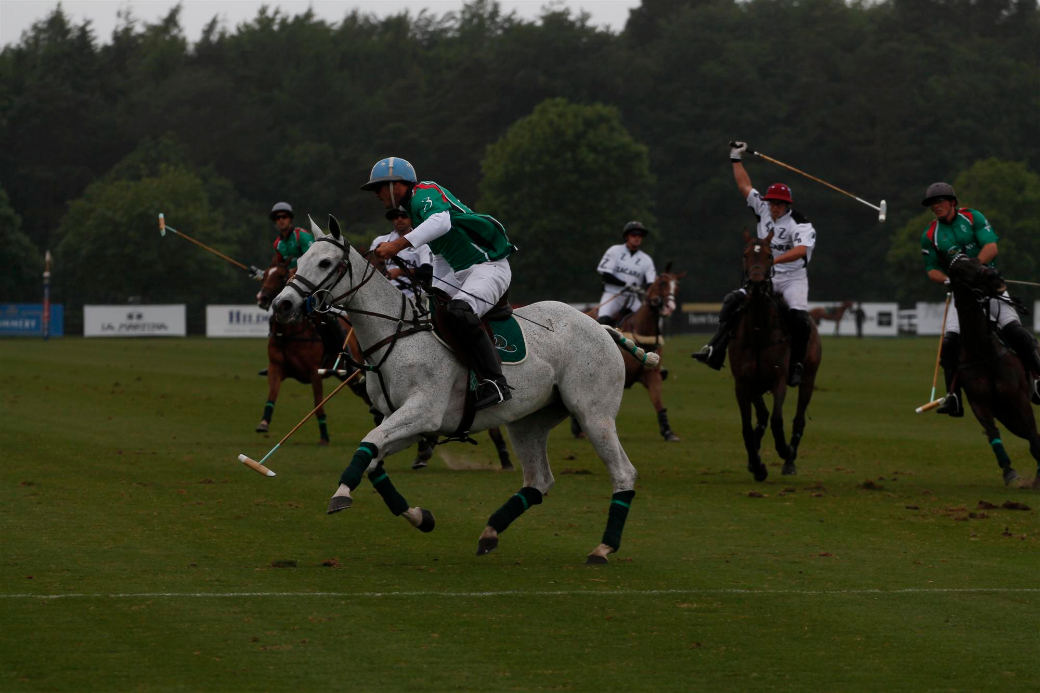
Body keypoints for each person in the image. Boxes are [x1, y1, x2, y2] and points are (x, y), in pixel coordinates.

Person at [363, 157, 516, 410]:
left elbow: (441, 223)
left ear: (395, 185)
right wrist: (435, 290)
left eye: (378, 188)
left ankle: (495, 382)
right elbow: (441, 255)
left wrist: (396, 245)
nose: (376, 195)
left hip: (489, 268)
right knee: (428, 312)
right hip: (460, 274)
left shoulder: (425, 192)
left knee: (459, 312)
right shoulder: (414, 211)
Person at [692, 140, 816, 387]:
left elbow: (802, 250)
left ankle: (796, 366)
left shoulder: (800, 224)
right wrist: (735, 158)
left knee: (800, 319)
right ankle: (715, 350)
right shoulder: (763, 209)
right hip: (765, 276)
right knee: (731, 302)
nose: (773, 207)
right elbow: (744, 185)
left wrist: (772, 259)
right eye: (771, 202)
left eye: (779, 204)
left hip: (792, 278)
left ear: (788, 205)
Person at [919, 182, 1040, 416]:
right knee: (949, 343)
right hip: (961, 294)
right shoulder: (930, 235)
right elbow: (931, 269)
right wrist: (947, 280)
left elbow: (991, 248)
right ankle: (953, 397)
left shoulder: (973, 218)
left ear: (952, 202)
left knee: (1015, 331)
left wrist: (972, 269)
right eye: (932, 203)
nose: (936, 206)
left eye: (940, 201)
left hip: (989, 286)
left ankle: (1038, 377)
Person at [263, 201, 346, 360]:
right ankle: (278, 355)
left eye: (284, 216)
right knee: (276, 314)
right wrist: (267, 274)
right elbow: (278, 266)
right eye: (277, 218)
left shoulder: (301, 236)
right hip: (294, 286)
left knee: (325, 317)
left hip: (312, 284)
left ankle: (342, 353)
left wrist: (293, 271)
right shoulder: (278, 244)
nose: (281, 220)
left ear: (290, 219)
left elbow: (312, 260)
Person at [594, 221, 657, 327]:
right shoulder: (614, 251)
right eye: (634, 234)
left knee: (648, 322)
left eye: (640, 235)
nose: (637, 237)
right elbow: (606, 275)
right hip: (613, 294)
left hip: (633, 297)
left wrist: (646, 292)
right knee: (602, 323)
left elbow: (651, 283)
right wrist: (625, 285)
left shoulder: (646, 259)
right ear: (627, 236)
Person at [370, 208, 434, 300]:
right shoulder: (380, 241)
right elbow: (368, 267)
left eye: (404, 216)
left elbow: (428, 271)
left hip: (413, 295)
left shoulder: (423, 242)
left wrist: (400, 272)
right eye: (396, 217)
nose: (399, 219)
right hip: (381, 293)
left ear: (411, 218)